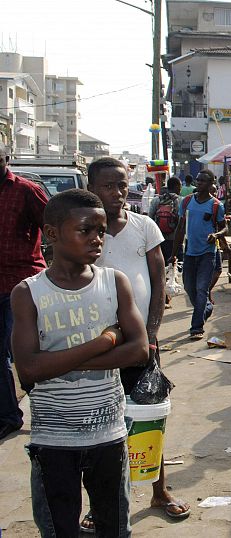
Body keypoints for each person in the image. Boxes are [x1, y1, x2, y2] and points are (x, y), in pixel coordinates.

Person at [10, 189, 149, 537]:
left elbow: (139, 351)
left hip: (109, 435)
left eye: (100, 231)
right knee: (59, 529)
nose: (96, 239)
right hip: (53, 440)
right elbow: (28, 370)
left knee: (115, 527)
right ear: (52, 234)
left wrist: (55, 363)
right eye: (85, 230)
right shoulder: (28, 293)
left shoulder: (113, 282)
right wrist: (104, 342)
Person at [89, 157, 191, 529]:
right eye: (107, 186)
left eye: (121, 185)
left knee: (149, 414)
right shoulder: (88, 231)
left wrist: (151, 333)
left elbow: (157, 278)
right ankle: (98, 502)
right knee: (99, 421)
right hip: (97, 345)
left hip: (141, 343)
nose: (116, 193)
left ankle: (159, 490)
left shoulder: (144, 226)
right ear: (91, 187)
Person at [0, 142, 48, 441]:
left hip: (20, 284)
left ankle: (46, 405)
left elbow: (55, 225)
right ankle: (8, 415)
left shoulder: (25, 190)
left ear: (6, 158)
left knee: (22, 352)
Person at [170, 169, 227, 339]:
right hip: (189, 252)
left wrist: (216, 235)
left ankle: (196, 328)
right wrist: (174, 253)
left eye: (203, 181)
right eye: (198, 180)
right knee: (189, 287)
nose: (199, 183)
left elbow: (224, 227)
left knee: (202, 289)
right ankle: (206, 308)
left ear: (210, 184)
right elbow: (181, 228)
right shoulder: (187, 201)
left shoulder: (217, 205)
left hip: (208, 253)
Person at [149, 176, 183, 263]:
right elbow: (182, 221)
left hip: (159, 238)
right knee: (178, 264)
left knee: (163, 262)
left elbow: (150, 219)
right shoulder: (181, 201)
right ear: (177, 187)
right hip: (175, 238)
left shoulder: (156, 200)